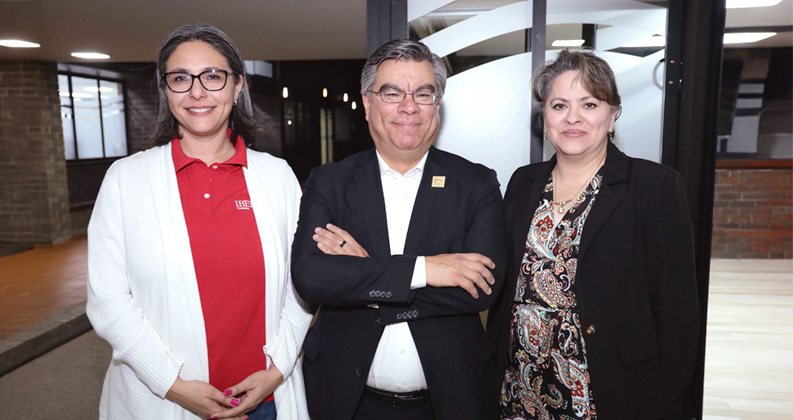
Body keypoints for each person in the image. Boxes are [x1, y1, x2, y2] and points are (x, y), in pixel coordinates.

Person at [87, 23, 310, 420]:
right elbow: (107, 301)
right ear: (165, 89)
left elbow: (302, 286)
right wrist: (174, 386)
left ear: (237, 86)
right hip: (160, 402)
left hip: (266, 403)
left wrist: (276, 373)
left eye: (212, 76)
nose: (197, 91)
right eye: (180, 78)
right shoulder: (126, 179)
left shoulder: (277, 177)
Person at [290, 39, 507, 420]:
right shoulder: (329, 182)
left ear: (437, 104)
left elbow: (481, 288)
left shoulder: (476, 183)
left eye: (423, 93)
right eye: (392, 93)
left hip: (450, 402)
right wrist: (426, 270)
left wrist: (365, 277)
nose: (409, 106)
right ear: (367, 102)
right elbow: (311, 277)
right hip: (347, 402)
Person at [486, 49, 700, 419]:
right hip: (521, 387)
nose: (572, 118)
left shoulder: (654, 186)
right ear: (544, 118)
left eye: (589, 104)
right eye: (559, 105)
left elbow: (678, 312)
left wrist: (667, 401)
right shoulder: (523, 182)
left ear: (612, 115)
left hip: (608, 393)